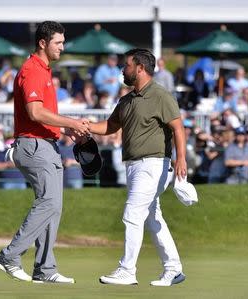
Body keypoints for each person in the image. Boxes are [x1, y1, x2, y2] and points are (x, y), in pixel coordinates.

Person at [0, 21, 90, 284]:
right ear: (43, 43)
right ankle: (9, 256)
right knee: (48, 203)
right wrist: (71, 122)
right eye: (58, 42)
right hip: (34, 146)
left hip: (44, 143)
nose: (62, 47)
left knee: (53, 207)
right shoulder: (33, 70)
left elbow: (39, 115)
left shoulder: (43, 70)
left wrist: (65, 131)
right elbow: (34, 112)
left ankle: (44, 269)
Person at [89, 48, 187, 287]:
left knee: (133, 213)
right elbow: (110, 126)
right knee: (152, 218)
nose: (123, 69)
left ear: (140, 68)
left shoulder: (161, 95)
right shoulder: (127, 99)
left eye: (127, 65)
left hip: (154, 165)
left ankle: (127, 270)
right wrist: (85, 126)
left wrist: (181, 158)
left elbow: (178, 128)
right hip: (133, 166)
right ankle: (173, 269)